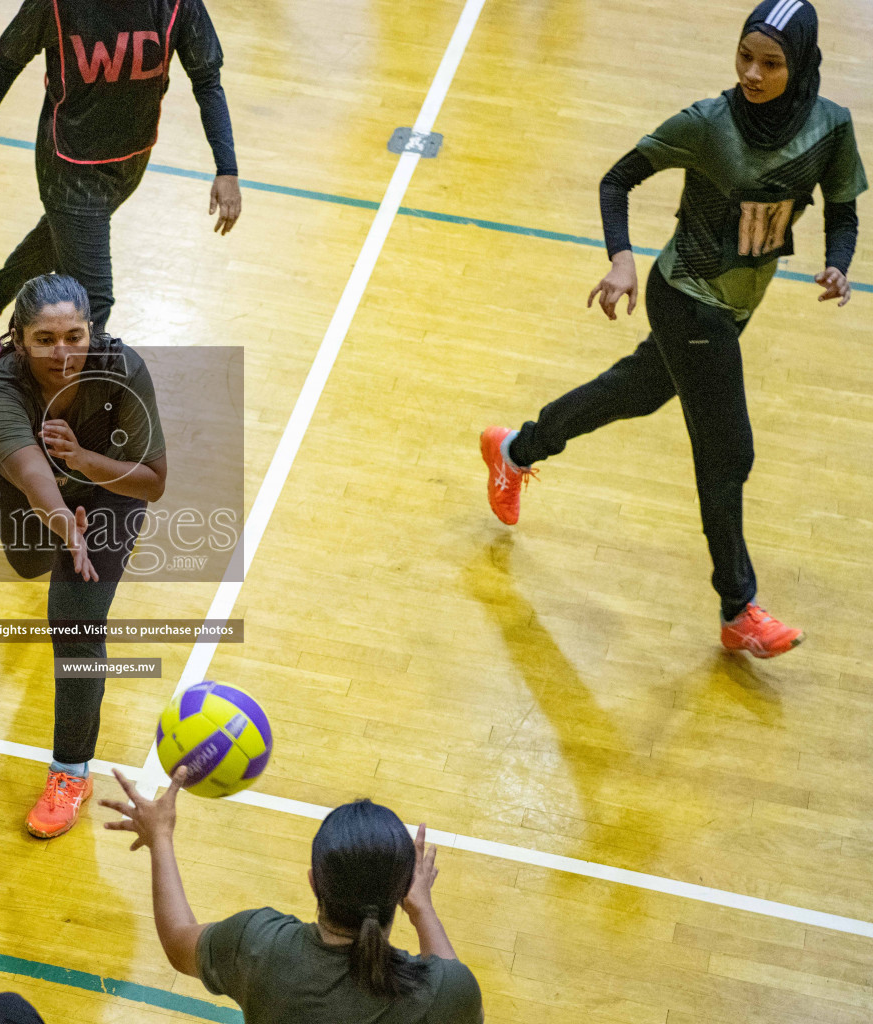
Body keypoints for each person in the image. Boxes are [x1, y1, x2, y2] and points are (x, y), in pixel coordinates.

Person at [481, 0, 864, 659]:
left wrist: (837, 264)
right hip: (687, 298)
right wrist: (623, 260)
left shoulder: (829, 129)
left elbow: (845, 211)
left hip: (738, 305)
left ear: (800, 65)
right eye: (745, 56)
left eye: (771, 63)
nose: (751, 72)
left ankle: (515, 448)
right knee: (728, 453)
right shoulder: (708, 123)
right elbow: (617, 180)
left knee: (635, 392)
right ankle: (738, 609)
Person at [0, 274, 167, 839]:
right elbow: (31, 471)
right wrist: (61, 522)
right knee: (29, 564)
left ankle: (70, 773)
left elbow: (152, 483)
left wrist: (82, 460)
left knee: (76, 619)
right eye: (45, 339)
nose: (62, 352)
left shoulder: (123, 370)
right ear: (18, 339)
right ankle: (62, 539)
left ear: (92, 331)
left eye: (75, 336)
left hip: (110, 492)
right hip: (31, 492)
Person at [0, 0, 241, 377]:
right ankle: (55, 411)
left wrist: (227, 168)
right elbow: (8, 60)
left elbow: (206, 79)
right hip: (69, 165)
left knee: (54, 241)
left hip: (129, 162)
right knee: (94, 301)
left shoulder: (176, 5)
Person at [103, 768, 483, 1023]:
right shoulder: (445, 993)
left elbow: (176, 939)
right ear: (402, 893)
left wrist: (161, 838)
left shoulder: (258, 944)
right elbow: (451, 979)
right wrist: (423, 911)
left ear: (313, 882)